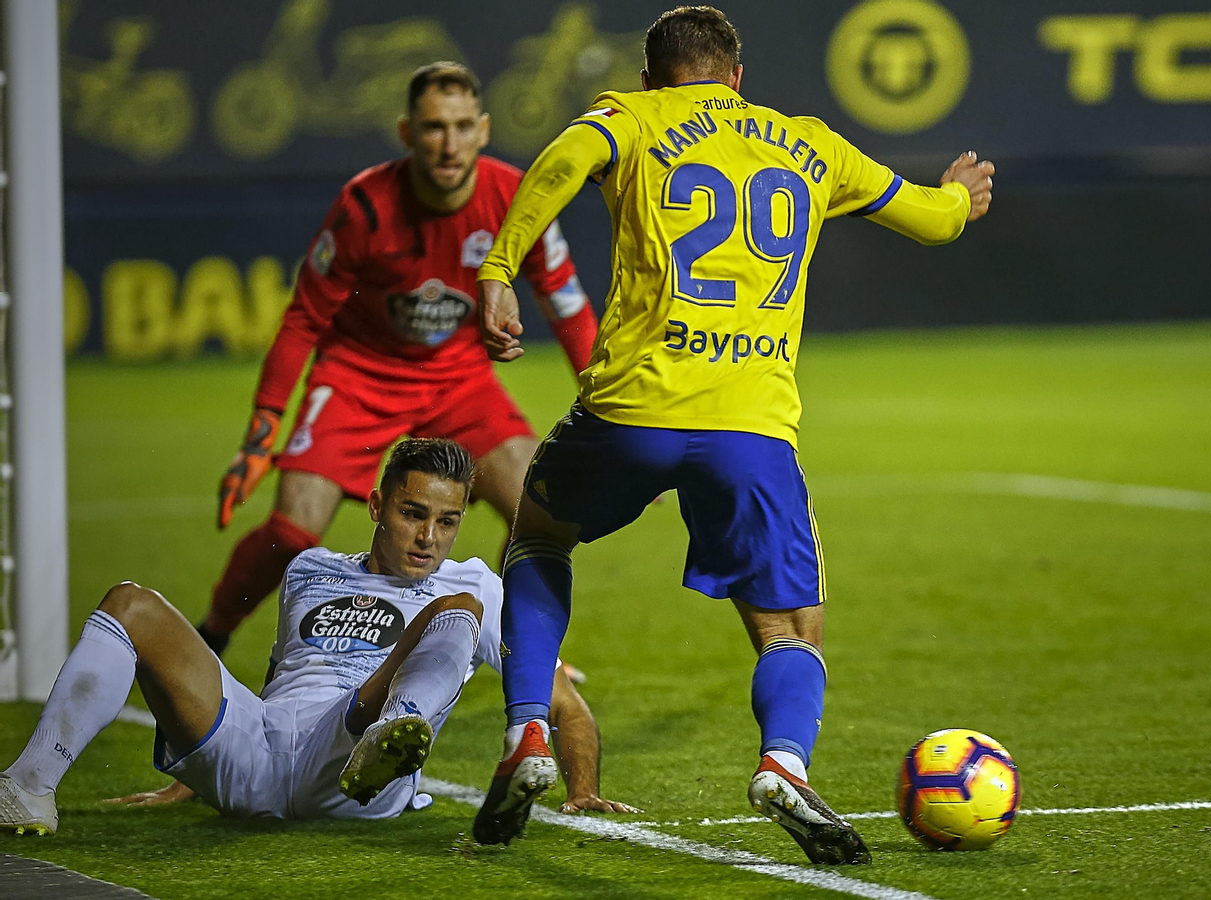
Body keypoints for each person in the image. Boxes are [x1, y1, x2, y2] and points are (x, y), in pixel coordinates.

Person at [468, 6, 994, 865]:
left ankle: (528, 727)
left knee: (537, 535)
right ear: (737, 76)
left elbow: (562, 160)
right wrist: (957, 197)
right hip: (750, 429)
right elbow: (934, 221)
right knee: (791, 629)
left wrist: (497, 271)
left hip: (632, 413)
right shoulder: (808, 143)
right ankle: (784, 762)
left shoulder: (630, 118)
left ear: (650, 77)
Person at [0, 439, 635, 835]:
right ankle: (28, 787)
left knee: (456, 607)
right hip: (262, 755)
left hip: (357, 764)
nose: (429, 537)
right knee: (132, 605)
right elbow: (283, 679)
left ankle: (397, 732)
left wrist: (583, 789)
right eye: (413, 513)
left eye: (447, 521)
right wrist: (189, 779)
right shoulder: (310, 570)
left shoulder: (475, 584)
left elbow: (556, 697)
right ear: (376, 505)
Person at [199, 61, 599, 658]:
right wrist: (261, 434)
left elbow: (568, 308)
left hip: (458, 381)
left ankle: (515, 646)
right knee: (290, 533)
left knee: (539, 520)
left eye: (464, 126)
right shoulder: (365, 207)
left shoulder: (517, 197)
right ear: (407, 132)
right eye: (434, 128)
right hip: (359, 375)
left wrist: (613, 415)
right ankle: (209, 639)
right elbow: (304, 318)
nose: (450, 144)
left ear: (485, 129)